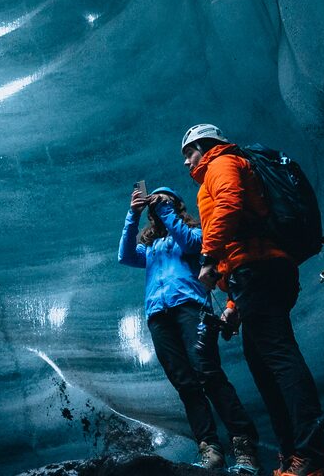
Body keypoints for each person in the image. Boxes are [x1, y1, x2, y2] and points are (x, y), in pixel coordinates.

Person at [180, 123, 324, 476]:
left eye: (189, 151)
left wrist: (207, 258)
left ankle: (311, 454)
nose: (187, 161)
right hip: (256, 274)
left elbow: (230, 205)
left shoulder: (221, 163)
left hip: (259, 270)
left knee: (278, 357)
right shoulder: (222, 167)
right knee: (265, 363)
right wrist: (234, 306)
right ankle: (295, 455)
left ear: (206, 145)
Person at [120, 185, 261, 473]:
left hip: (191, 308)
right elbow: (125, 255)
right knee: (185, 383)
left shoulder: (197, 234)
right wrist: (132, 214)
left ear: (176, 205)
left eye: (165, 199)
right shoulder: (151, 248)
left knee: (207, 374)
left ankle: (245, 446)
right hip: (158, 315)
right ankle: (210, 450)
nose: (157, 204)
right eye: (154, 202)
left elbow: (191, 245)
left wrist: (165, 208)